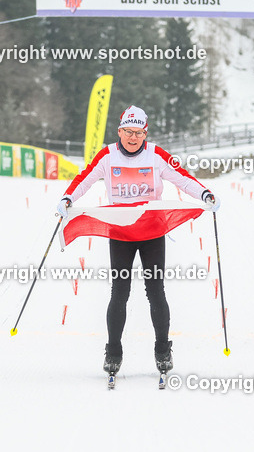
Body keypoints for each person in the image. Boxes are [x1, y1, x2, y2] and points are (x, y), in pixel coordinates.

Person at [58, 106, 219, 377]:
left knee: (155, 290)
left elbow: (182, 178)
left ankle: (162, 349)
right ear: (119, 131)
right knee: (119, 291)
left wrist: (204, 193)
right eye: (128, 132)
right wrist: (68, 197)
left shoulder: (156, 154)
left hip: (152, 231)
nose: (133, 138)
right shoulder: (107, 155)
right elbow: (85, 178)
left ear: (146, 133)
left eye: (139, 133)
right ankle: (113, 351)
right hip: (120, 231)